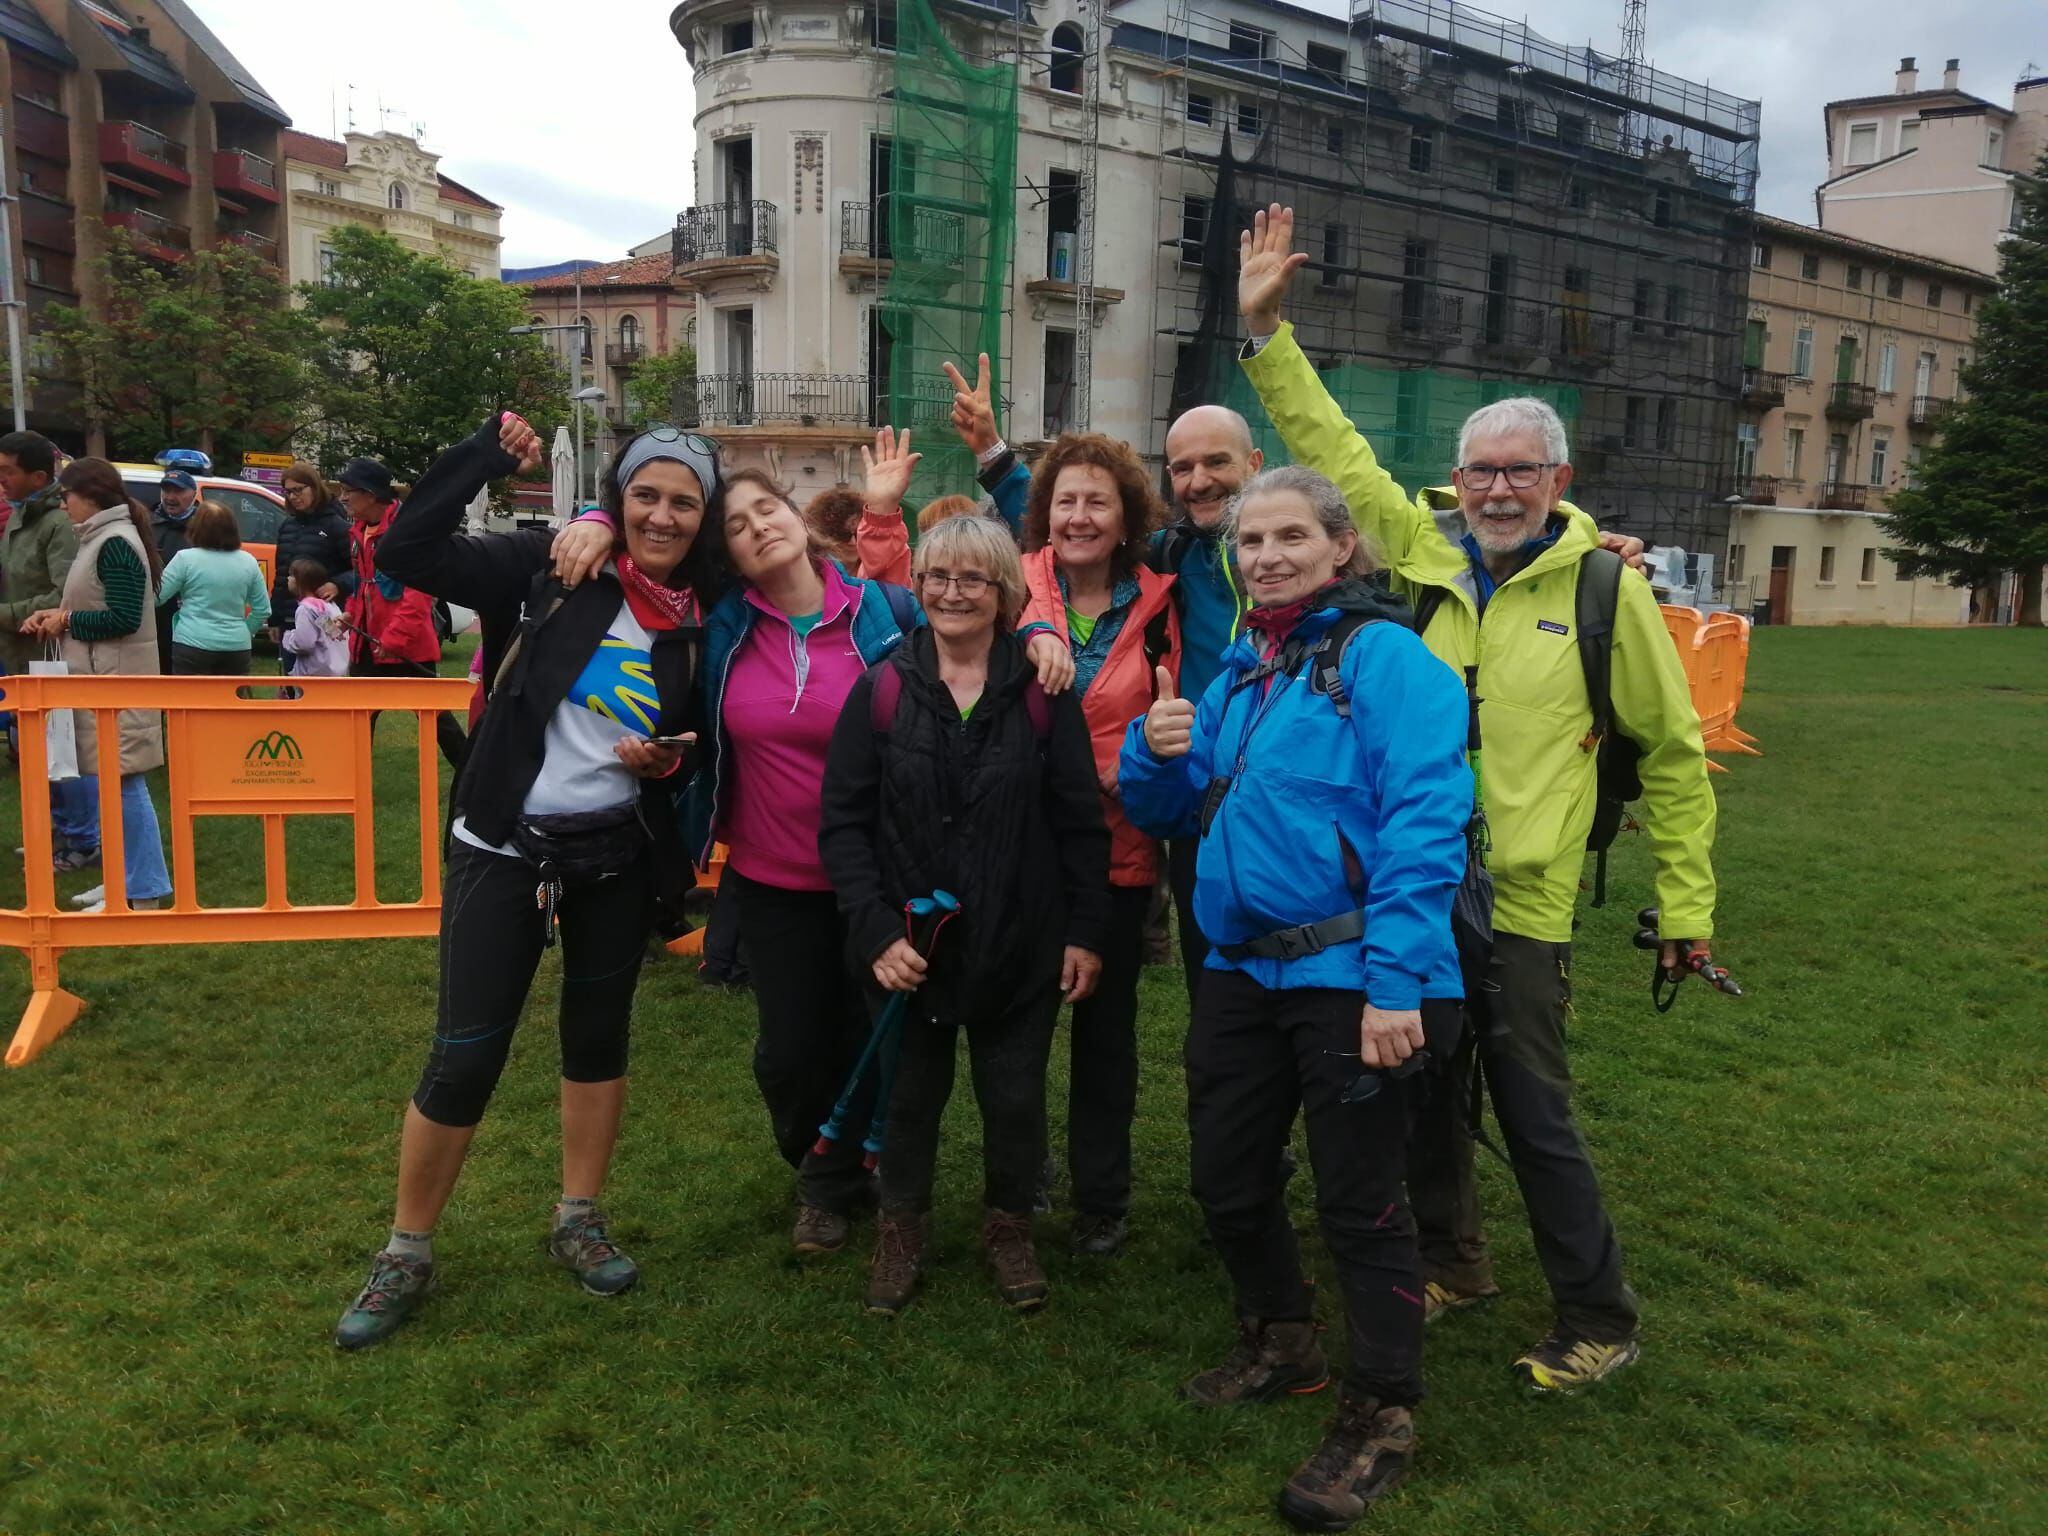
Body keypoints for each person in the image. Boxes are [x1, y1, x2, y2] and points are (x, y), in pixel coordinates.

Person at [1237, 203, 1720, 1392]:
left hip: (1521, 902)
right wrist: (1263, 337)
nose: (1497, 488)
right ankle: (1454, 1261)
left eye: (1520, 470)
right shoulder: (1426, 554)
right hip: (1408, 889)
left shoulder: (1603, 594)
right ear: (1454, 481)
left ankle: (1596, 1315)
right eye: (1479, 470)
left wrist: (1685, 901)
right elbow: (1336, 455)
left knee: (1530, 1111)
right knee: (1419, 1100)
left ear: (1559, 479)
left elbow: (1669, 755)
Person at [1119, 465, 1471, 1533]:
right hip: (1238, 970)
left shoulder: (1385, 662)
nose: (1265, 556)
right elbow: (1175, 811)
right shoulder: (1242, 675)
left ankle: (1382, 1412)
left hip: (1354, 978)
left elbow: (1425, 822)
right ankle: (1280, 1335)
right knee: (1224, 1176)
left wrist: (1396, 983)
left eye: (1286, 538)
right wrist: (1152, 748)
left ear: (1337, 547)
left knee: (1360, 1204)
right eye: (1249, 542)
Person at [330, 415, 718, 1351]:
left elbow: (702, 739)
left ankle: (578, 1216)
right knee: (466, 1050)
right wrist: (487, 459)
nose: (662, 517)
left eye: (683, 502)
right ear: (619, 499)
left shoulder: (708, 610)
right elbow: (412, 546)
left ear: (703, 520)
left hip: (616, 852)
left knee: (597, 1038)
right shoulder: (552, 564)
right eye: (645, 496)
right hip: (504, 842)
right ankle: (406, 1248)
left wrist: (669, 763)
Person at [552, 448, 921, 1260]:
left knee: (881, 1039)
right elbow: (694, 727)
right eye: (738, 526)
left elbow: (949, 677)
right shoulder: (723, 629)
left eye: (768, 511)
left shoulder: (884, 613)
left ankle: (853, 1180)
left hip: (879, 877)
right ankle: (817, 1158)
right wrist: (594, 516)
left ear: (796, 516)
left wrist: (886, 514)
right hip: (771, 876)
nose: (758, 528)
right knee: (791, 1054)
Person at [818, 514, 1109, 1316]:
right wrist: (874, 930)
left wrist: (1084, 933)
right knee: (908, 1098)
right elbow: (842, 823)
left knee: (1014, 1099)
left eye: (972, 579)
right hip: (908, 948)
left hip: (1020, 944)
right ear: (920, 587)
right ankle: (901, 1228)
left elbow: (1080, 823)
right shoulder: (881, 687)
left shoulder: (1044, 695)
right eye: (938, 577)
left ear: (1005, 594)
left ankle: (1008, 1226)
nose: (952, 593)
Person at [1011, 432, 1180, 1257]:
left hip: (1115, 856)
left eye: (1098, 502)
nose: (1079, 516)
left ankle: (1102, 1197)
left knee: (1105, 1038)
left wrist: (1114, 770)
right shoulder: (1013, 588)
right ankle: (1022, 1173)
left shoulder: (1161, 609)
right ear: (1045, 513)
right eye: (1066, 501)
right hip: (1021, 853)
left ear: (1125, 520)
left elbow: (1174, 718)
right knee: (1019, 1025)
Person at [20, 458, 173, 913]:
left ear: (89, 495)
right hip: (103, 681)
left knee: (124, 786)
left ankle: (143, 892)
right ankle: (123, 882)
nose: (62, 503)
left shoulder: (114, 543)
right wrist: (58, 618)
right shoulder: (104, 539)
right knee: (113, 785)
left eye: (65, 495)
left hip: (116, 684)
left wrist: (65, 619)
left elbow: (124, 617)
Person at [333, 456, 465, 767]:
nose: (343, 497)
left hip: (408, 649)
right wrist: (350, 614)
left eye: (347, 490)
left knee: (436, 718)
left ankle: (471, 774)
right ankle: (350, 779)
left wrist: (394, 638)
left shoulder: (408, 531)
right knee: (359, 716)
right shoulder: (357, 531)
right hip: (367, 645)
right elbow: (360, 583)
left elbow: (419, 594)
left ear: (370, 494)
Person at [0, 431, 93, 871]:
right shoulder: (22, 518)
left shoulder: (57, 523)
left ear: (39, 476)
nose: (1, 480)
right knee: (37, 752)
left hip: (50, 654)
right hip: (21, 655)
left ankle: (83, 841)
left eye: (8, 471)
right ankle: (59, 833)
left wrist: (6, 613)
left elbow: (62, 596)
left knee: (62, 752)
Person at [154, 501, 269, 675]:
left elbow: (157, 597)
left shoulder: (185, 559)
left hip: (191, 641)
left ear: (196, 528)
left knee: (190, 700)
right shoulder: (249, 562)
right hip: (236, 645)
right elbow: (262, 609)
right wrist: (245, 632)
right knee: (230, 700)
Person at [270, 463, 351, 665]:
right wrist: (275, 618)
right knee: (292, 680)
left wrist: (338, 584)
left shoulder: (337, 526)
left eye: (298, 490)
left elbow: (358, 570)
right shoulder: (287, 526)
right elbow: (281, 575)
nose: (293, 496)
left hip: (325, 618)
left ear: (314, 487)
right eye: (288, 492)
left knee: (327, 675)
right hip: (291, 617)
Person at [149, 470, 201, 674]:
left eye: (178, 491)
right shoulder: (149, 523)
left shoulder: (203, 526)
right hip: (154, 614)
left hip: (190, 617)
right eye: (166, 490)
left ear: (193, 493)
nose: (170, 497)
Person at [278, 559, 348, 679]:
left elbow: (304, 643)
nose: (288, 579)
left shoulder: (306, 609)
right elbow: (333, 634)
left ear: (300, 582)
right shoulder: (328, 605)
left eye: (291, 576)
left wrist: (288, 638)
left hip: (313, 675)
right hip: (335, 672)